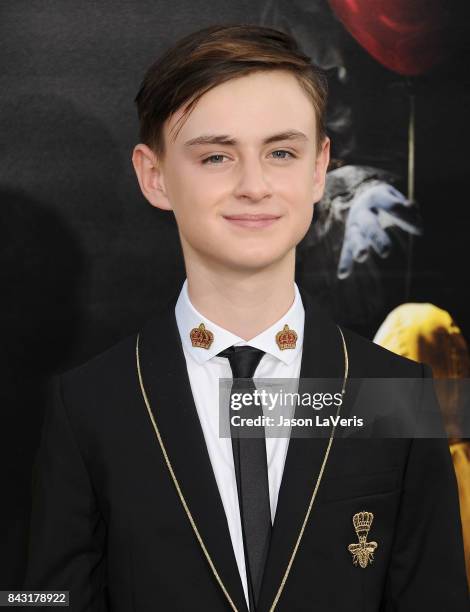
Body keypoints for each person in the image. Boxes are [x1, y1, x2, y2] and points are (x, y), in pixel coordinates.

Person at [23, 24, 469, 611]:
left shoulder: (395, 394)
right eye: (215, 156)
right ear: (153, 175)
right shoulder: (87, 406)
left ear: (318, 168)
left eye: (281, 152)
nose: (254, 185)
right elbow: (42, 599)